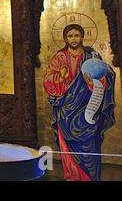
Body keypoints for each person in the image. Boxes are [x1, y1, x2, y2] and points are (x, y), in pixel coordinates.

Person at [43, 24, 116, 181]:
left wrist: (94, 81)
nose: (74, 39)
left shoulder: (91, 56)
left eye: (77, 35)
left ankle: (89, 178)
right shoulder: (60, 57)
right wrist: (60, 78)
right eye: (70, 36)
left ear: (82, 37)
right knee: (68, 148)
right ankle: (72, 176)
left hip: (88, 109)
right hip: (66, 113)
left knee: (90, 145)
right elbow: (48, 80)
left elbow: (107, 74)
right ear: (65, 38)